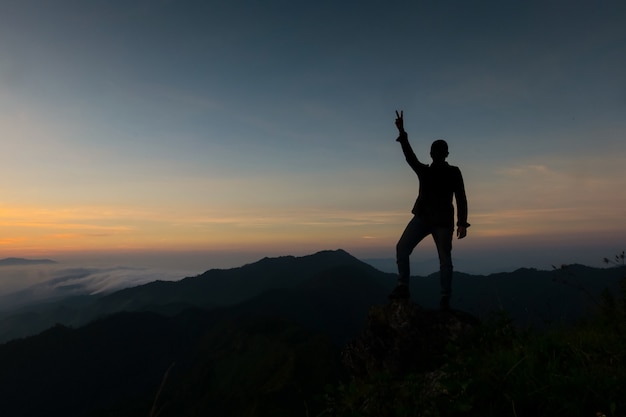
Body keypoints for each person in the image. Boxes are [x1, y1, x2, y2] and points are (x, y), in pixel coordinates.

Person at [389, 110, 470, 310]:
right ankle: (443, 298)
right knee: (444, 260)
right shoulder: (450, 172)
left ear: (433, 154)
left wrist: (403, 133)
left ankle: (405, 286)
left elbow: (410, 157)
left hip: (428, 219)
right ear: (445, 154)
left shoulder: (429, 171)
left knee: (404, 249)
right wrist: (461, 222)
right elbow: (461, 197)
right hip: (438, 220)